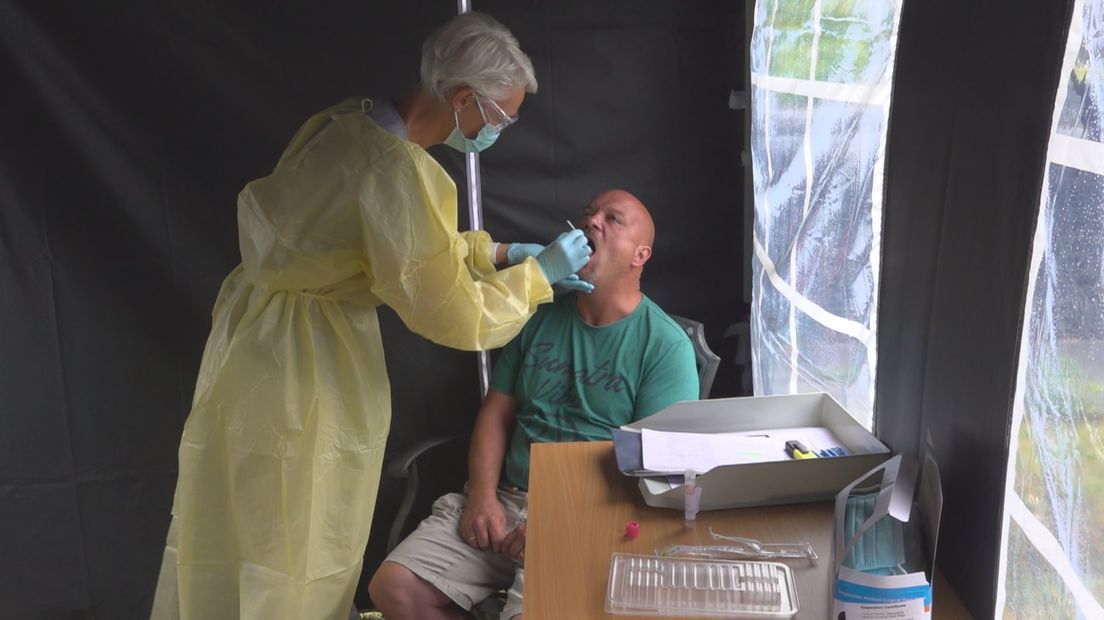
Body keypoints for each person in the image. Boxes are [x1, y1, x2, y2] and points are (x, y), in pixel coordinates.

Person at [150, 12, 594, 620]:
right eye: (500, 118)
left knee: (237, 527)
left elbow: (386, 247)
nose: (501, 130)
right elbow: (451, 311)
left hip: (251, 344)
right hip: (303, 371)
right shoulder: (397, 170)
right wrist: (537, 275)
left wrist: (495, 253)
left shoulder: (344, 124)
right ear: (464, 99)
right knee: (294, 537)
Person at [368, 190, 700, 620]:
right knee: (393, 588)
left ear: (641, 254)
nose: (592, 222)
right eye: (588, 215)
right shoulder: (539, 316)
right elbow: (496, 413)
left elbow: (656, 473)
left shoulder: (664, 346)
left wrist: (557, 520)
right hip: (505, 502)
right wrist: (483, 496)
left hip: (588, 514)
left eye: (612, 219)